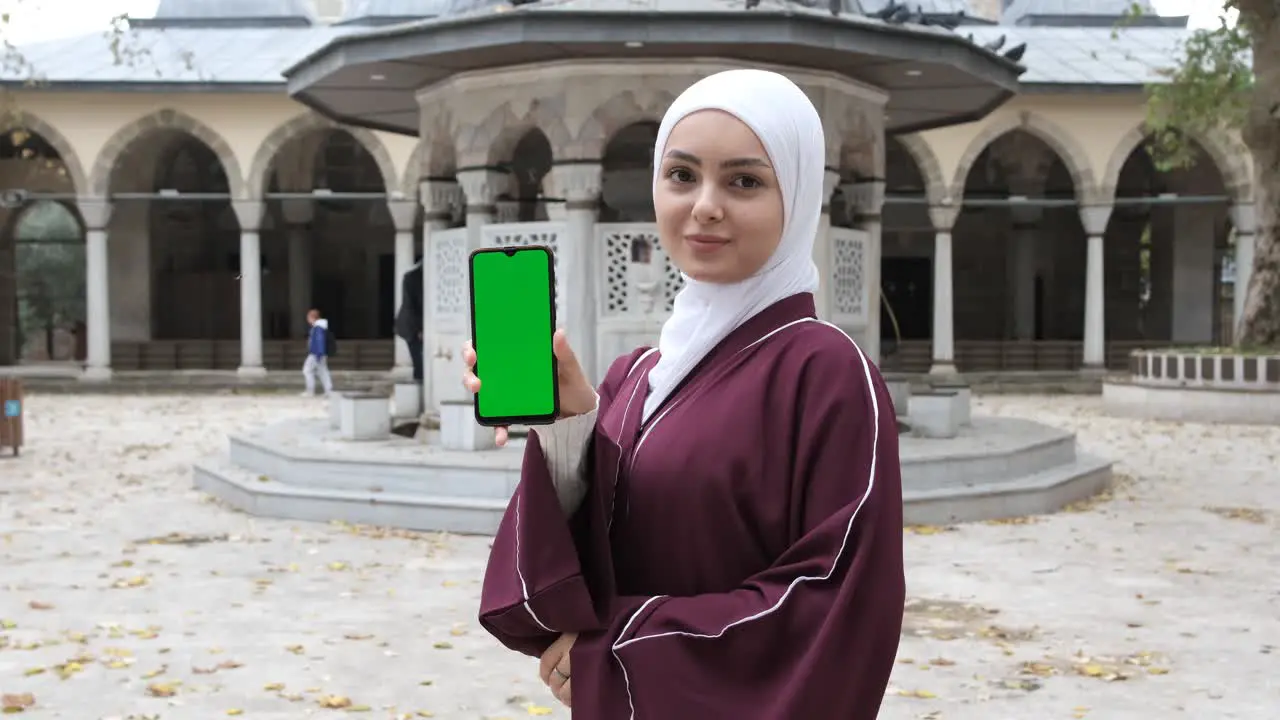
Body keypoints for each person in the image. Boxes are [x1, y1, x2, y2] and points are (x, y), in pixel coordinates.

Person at [464, 69, 905, 718]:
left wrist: (619, 652)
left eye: (745, 181)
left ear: (799, 196)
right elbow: (579, 581)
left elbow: (833, 604)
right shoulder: (637, 375)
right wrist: (570, 431)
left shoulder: (828, 374)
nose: (704, 205)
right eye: (682, 175)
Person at [395, 260, 425, 383]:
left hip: (417, 324)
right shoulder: (412, 278)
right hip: (411, 327)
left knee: (422, 365)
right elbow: (410, 306)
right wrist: (419, 329)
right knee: (420, 364)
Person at [302, 308, 334, 397]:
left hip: (315, 353)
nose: (308, 320)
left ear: (312, 318)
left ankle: (310, 391)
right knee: (323, 371)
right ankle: (329, 390)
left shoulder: (317, 328)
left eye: (308, 318)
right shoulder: (321, 327)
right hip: (320, 354)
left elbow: (319, 341)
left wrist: (319, 353)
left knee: (307, 370)